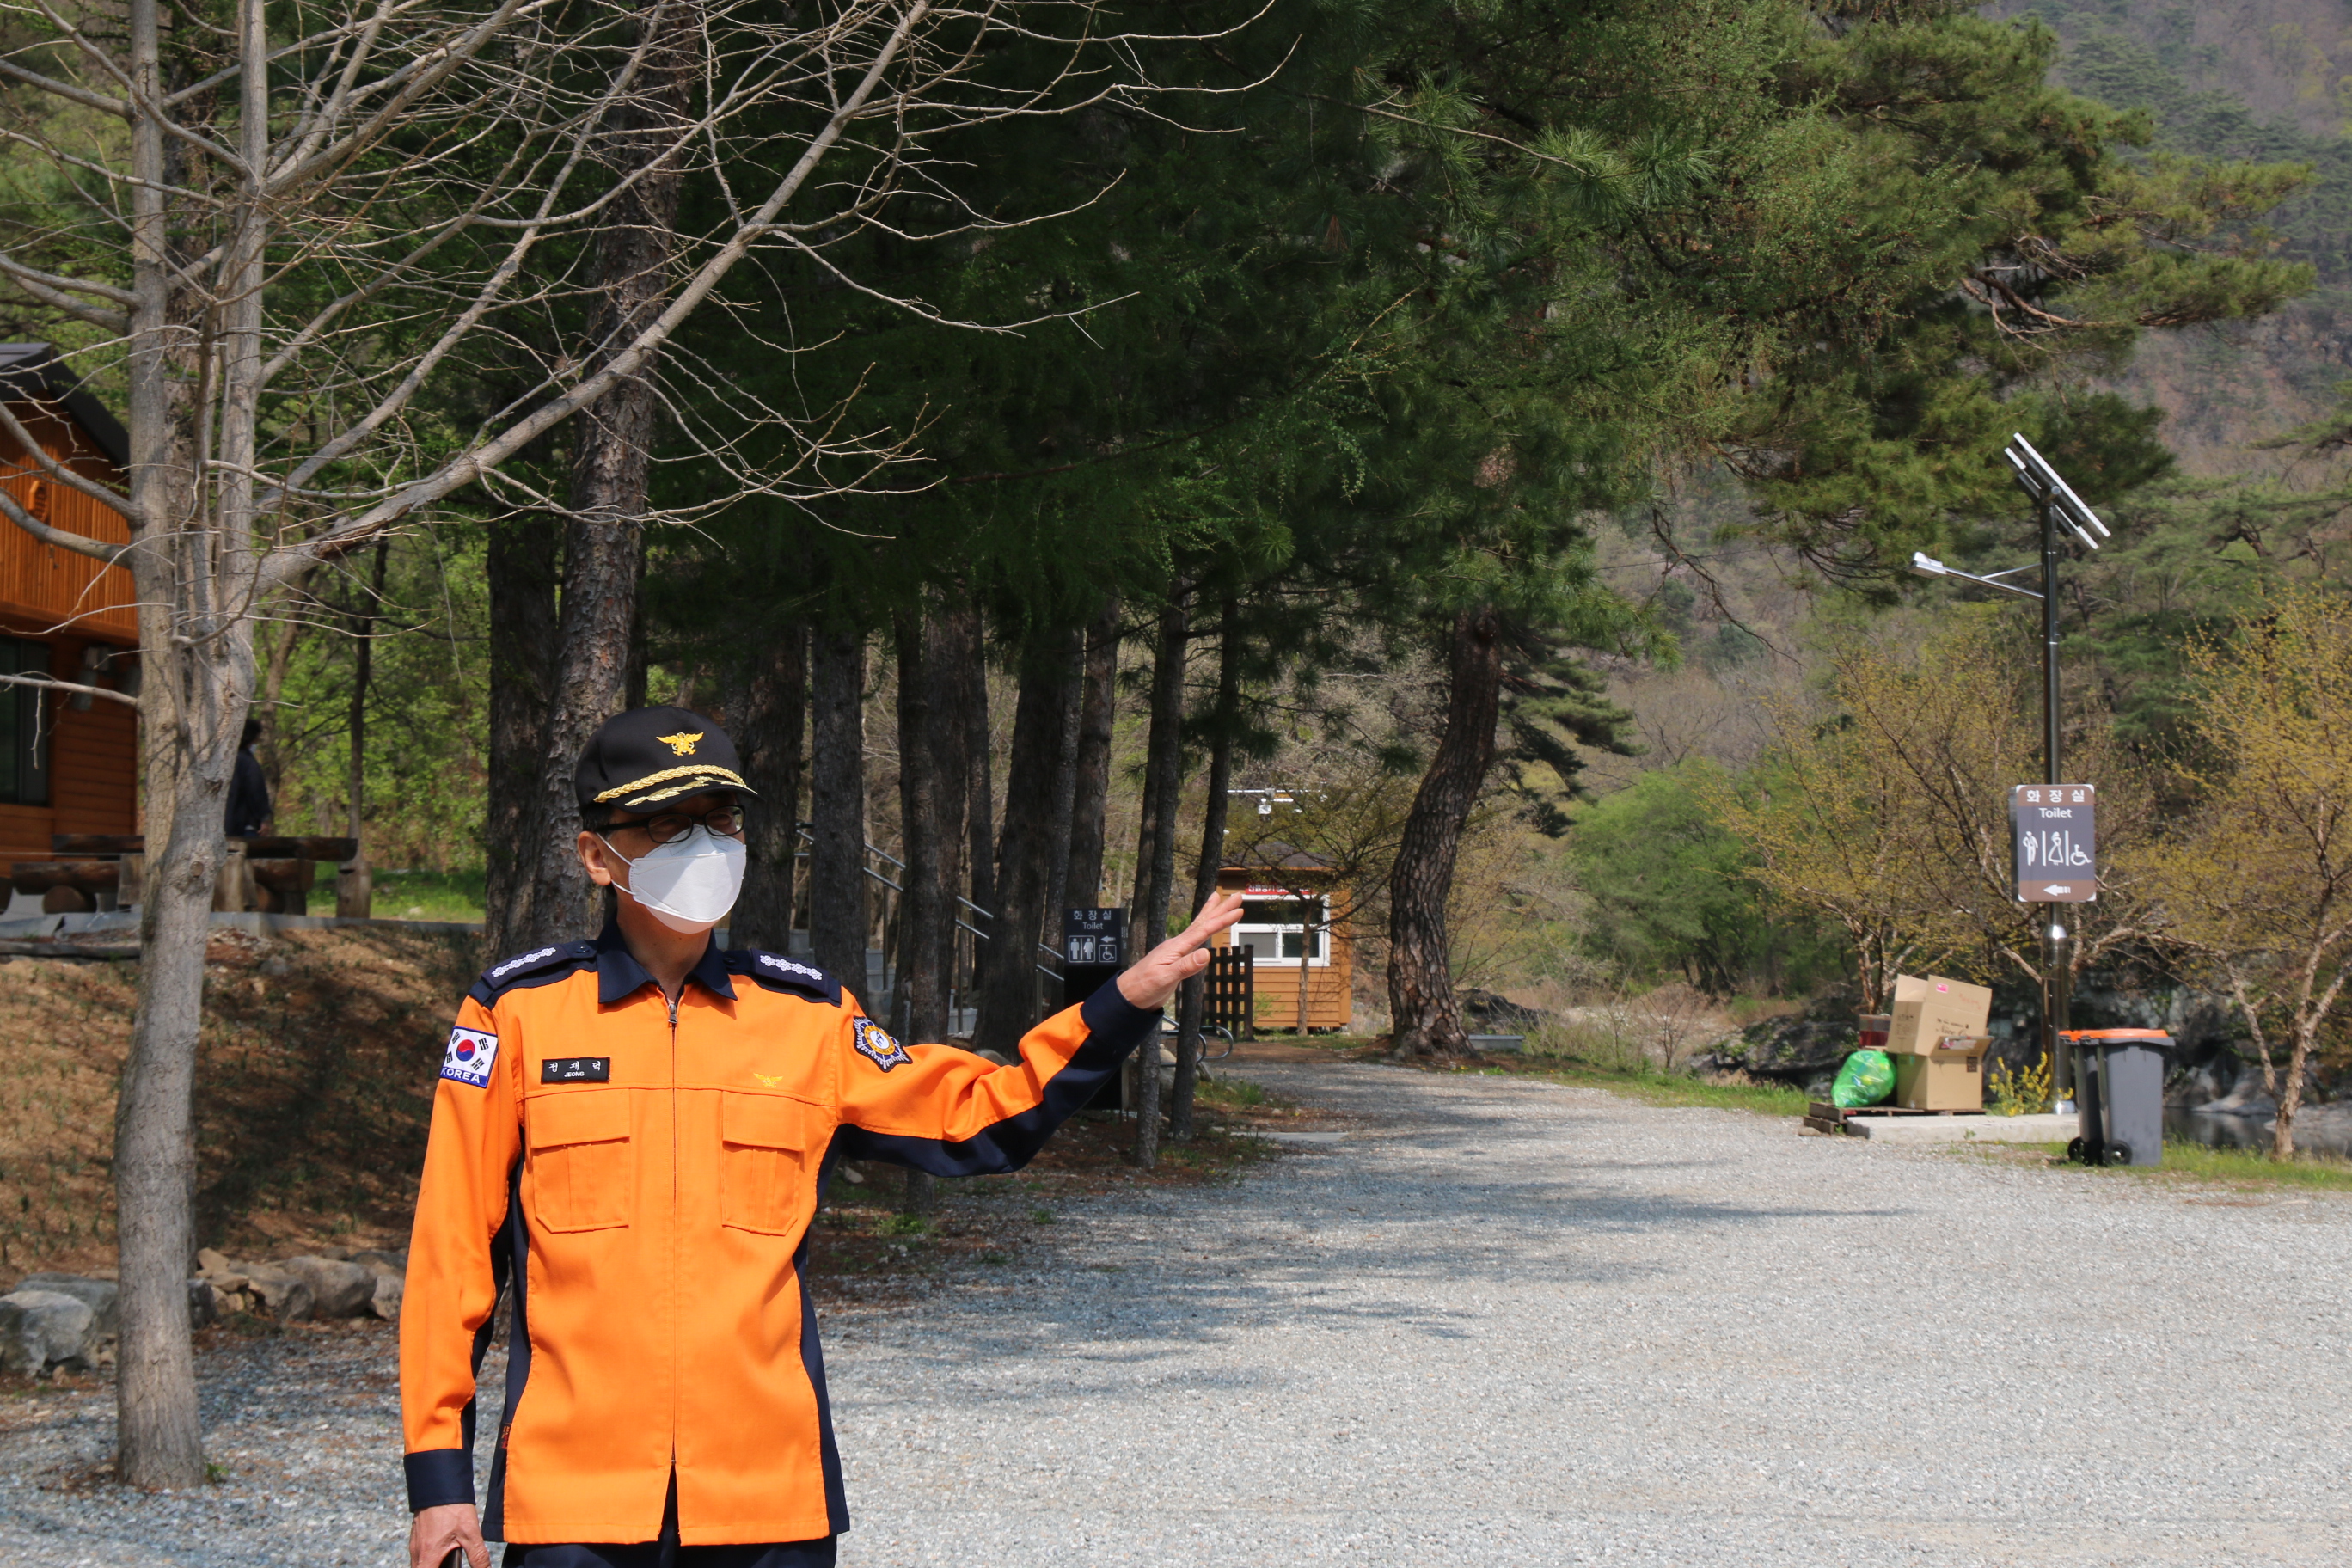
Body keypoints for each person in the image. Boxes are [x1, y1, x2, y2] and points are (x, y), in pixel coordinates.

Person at [402, 705, 1243, 1568]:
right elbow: (451, 1258)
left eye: (721, 821)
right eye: (667, 825)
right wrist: (438, 1483)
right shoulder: (514, 1016)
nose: (705, 846)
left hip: (769, 1502)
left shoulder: (807, 1019)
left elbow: (982, 1118)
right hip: (574, 1507)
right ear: (596, 855)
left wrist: (1121, 1003)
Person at [224, 718, 272, 837]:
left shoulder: (223, 761)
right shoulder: (248, 762)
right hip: (243, 825)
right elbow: (256, 791)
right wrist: (264, 817)